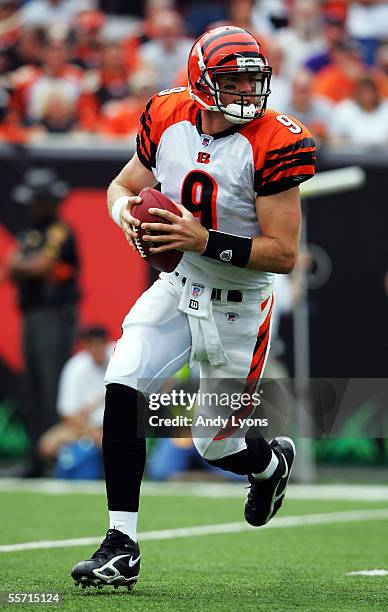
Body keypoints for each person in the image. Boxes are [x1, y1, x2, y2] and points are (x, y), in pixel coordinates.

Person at [71, 26, 316, 590]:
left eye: (252, 80)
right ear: (201, 81)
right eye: (231, 80)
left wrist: (202, 239)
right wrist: (127, 216)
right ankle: (121, 544)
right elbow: (121, 188)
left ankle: (269, 464)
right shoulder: (166, 113)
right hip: (180, 283)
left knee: (215, 444)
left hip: (240, 301)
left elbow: (283, 254)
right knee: (124, 378)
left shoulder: (275, 140)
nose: (245, 91)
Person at [8, 167, 79, 477]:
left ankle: (53, 459)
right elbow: (12, 266)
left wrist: (23, 266)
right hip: (32, 315)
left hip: (55, 317)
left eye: (37, 201)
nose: (31, 207)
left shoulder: (59, 231)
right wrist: (23, 266)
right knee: (32, 388)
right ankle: (34, 458)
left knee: (51, 387)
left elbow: (40, 266)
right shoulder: (29, 232)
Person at [38, 326, 112, 477]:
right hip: (86, 426)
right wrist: (92, 432)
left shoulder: (120, 359)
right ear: (86, 346)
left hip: (115, 424)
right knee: (47, 444)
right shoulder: (75, 367)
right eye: (94, 345)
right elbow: (67, 414)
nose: (98, 350)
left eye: (101, 345)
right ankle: (66, 470)